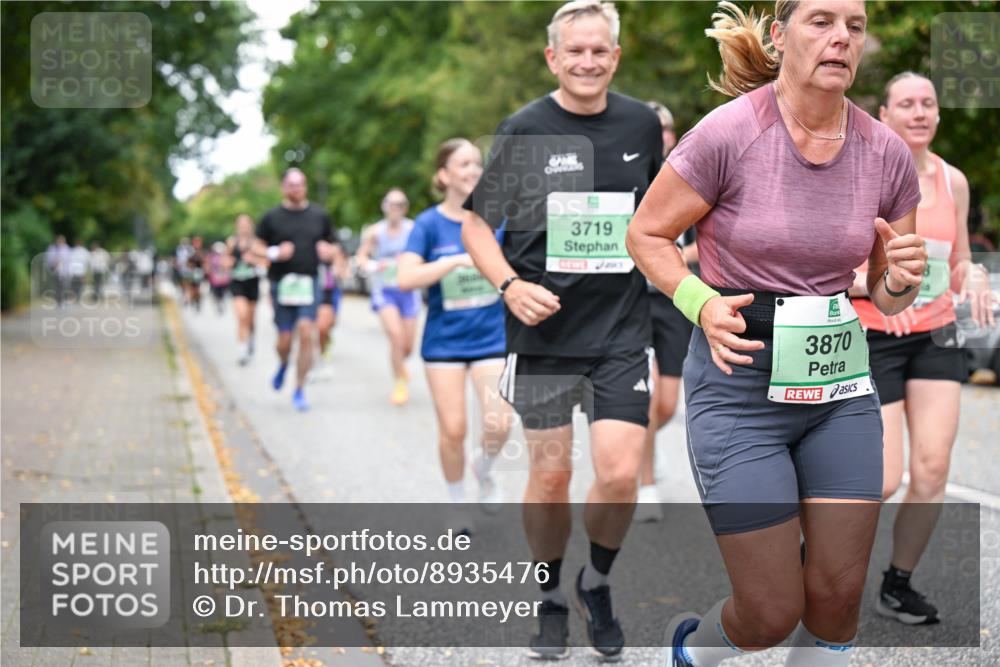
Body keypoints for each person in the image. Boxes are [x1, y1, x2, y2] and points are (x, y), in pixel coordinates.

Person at [625, 2, 928, 666]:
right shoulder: (729, 133)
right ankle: (691, 651)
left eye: (854, 24)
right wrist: (699, 300)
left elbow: (886, 288)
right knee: (768, 610)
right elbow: (646, 234)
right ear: (779, 34)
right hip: (739, 387)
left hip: (837, 386)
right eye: (821, 20)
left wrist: (902, 277)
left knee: (838, 593)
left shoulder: (886, 153)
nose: (841, 37)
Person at [461, 1, 663, 659]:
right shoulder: (524, 130)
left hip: (621, 330)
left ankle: (595, 581)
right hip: (544, 337)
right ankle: (549, 595)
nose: (587, 61)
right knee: (550, 476)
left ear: (615, 56)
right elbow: (475, 225)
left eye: (599, 50)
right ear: (553, 56)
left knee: (621, 469)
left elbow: (661, 216)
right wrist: (510, 286)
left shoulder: (639, 123)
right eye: (574, 50)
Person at [851, 72, 994, 626]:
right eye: (905, 104)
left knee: (932, 468)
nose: (918, 112)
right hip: (873, 335)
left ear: (937, 115)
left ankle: (897, 583)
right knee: (882, 479)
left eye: (927, 104)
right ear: (884, 115)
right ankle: (815, 555)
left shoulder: (952, 181)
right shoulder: (863, 177)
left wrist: (974, 276)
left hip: (935, 335)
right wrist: (886, 287)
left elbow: (958, 259)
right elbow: (837, 266)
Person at [397, 138, 512, 535]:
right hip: (444, 343)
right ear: (443, 175)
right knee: (454, 430)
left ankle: (485, 467)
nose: (473, 171)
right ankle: (458, 503)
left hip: (492, 337)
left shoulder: (498, 217)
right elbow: (406, 278)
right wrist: (451, 262)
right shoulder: (429, 224)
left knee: (499, 423)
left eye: (477, 164)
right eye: (463, 164)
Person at [634, 100, 698, 523]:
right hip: (631, 302)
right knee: (647, 394)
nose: (660, 134)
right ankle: (645, 484)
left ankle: (644, 449)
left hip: (676, 297)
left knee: (668, 403)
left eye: (665, 128)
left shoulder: (691, 175)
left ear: (673, 135)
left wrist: (669, 254)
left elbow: (708, 241)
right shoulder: (624, 178)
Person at [254, 168, 337, 412]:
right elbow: (255, 247)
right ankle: (282, 363)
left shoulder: (320, 216)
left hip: (309, 283)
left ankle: (299, 388)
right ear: (283, 187)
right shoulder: (271, 217)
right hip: (282, 283)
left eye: (300, 184)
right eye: (291, 184)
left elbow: (334, 247)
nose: (296, 189)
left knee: (306, 332)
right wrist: (274, 252)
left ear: (306, 187)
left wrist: (329, 252)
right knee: (284, 340)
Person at [356, 188, 421, 405]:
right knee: (396, 337)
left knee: (408, 347)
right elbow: (361, 257)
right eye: (392, 204)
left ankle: (401, 366)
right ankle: (400, 384)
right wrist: (376, 265)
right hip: (385, 291)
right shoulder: (375, 231)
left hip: (408, 291)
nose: (396, 209)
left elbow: (424, 255)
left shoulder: (413, 229)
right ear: (385, 206)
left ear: (405, 208)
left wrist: (411, 260)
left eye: (400, 204)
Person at [228, 214, 262, 366]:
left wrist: (253, 260)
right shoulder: (231, 242)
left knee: (250, 318)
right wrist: (228, 262)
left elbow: (266, 261)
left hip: (252, 283)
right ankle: (242, 351)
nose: (243, 227)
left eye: (246, 224)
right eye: (240, 224)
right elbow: (225, 260)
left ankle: (251, 338)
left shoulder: (256, 243)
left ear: (250, 226)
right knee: (241, 317)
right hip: (237, 283)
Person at [316, 243, 348, 362]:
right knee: (321, 325)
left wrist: (336, 260)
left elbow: (343, 274)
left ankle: (327, 339)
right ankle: (322, 348)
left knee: (332, 323)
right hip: (320, 293)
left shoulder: (337, 254)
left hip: (334, 292)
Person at [45, 235, 72, 308]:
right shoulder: (52, 248)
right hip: (55, 270)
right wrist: (53, 263)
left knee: (64, 286)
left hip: (64, 271)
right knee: (56, 286)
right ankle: (58, 301)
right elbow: (48, 258)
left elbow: (68, 259)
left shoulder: (66, 248)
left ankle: (64, 301)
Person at [207, 242, 232, 315]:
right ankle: (218, 303)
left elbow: (228, 266)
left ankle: (221, 302)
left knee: (223, 292)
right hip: (215, 278)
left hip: (223, 278)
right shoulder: (211, 257)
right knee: (216, 292)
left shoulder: (225, 257)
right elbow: (209, 267)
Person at [186, 237, 206, 311]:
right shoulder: (191, 251)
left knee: (198, 287)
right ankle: (193, 300)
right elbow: (188, 263)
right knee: (192, 287)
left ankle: (198, 301)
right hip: (193, 272)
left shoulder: (202, 252)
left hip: (199, 272)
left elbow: (204, 262)